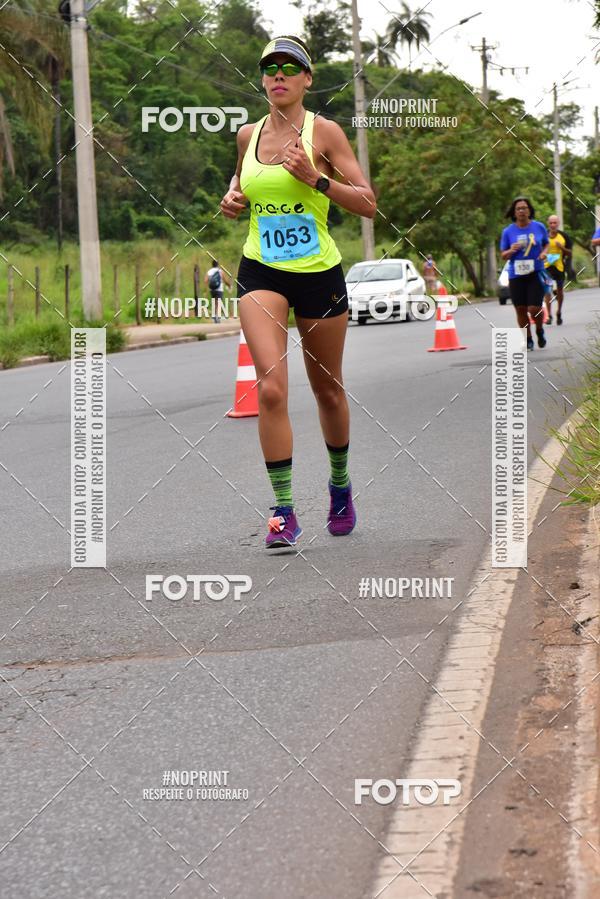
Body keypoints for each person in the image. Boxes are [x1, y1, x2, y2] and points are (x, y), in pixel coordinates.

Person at [220, 35, 376, 549]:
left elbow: (368, 203)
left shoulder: (325, 132)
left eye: (290, 67)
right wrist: (232, 199)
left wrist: (318, 180)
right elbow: (241, 185)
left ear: (307, 79)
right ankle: (283, 510)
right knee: (270, 388)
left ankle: (339, 486)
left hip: (319, 274)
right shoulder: (248, 135)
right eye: (270, 67)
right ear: (263, 78)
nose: (278, 74)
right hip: (262, 270)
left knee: (327, 389)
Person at [500, 197, 549, 351]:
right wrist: (511, 250)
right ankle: (528, 339)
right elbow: (503, 255)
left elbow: (546, 243)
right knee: (520, 309)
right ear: (514, 213)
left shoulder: (539, 227)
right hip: (516, 275)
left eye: (524, 208)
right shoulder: (508, 232)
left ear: (529, 210)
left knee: (534, 309)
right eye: (518, 209)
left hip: (535, 272)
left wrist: (544, 253)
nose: (521, 211)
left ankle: (539, 330)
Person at [544, 214, 570, 325]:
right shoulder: (543, 236)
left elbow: (569, 253)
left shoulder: (564, 236)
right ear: (548, 224)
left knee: (559, 290)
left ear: (558, 224)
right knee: (548, 290)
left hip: (559, 267)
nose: (553, 225)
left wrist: (562, 248)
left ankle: (559, 312)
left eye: (555, 223)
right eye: (551, 223)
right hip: (547, 267)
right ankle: (549, 315)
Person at [204, 259, 231, 323]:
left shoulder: (209, 271)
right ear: (217, 265)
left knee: (214, 302)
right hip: (219, 289)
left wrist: (206, 289)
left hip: (212, 289)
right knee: (218, 303)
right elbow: (225, 280)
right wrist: (229, 285)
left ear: (212, 264)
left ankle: (214, 316)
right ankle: (217, 317)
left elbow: (205, 280)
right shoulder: (220, 271)